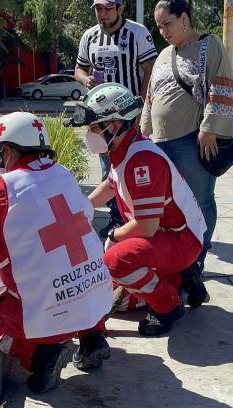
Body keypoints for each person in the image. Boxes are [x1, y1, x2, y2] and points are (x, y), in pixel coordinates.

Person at [0, 112, 112, 394]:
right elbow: (38, 220)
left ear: (9, 149)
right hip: (92, 297)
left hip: (44, 311)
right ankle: (93, 338)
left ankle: (39, 356)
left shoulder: (1, 190)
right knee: (71, 272)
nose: (0, 162)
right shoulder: (62, 175)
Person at [65, 83, 210, 336]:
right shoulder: (125, 148)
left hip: (179, 237)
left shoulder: (142, 161)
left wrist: (112, 236)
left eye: (95, 127)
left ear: (116, 124)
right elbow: (111, 185)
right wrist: (81, 209)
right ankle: (182, 276)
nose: (90, 133)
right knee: (114, 278)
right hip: (174, 232)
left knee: (116, 261)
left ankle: (168, 306)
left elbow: (146, 226)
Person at [142, 0, 233, 275]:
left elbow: (221, 85)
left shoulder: (209, 46)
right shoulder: (163, 55)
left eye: (167, 24)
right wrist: (144, 132)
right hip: (160, 144)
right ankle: (175, 259)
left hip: (192, 141)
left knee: (200, 201)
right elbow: (151, 97)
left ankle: (196, 261)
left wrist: (209, 129)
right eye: (159, 26)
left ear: (184, 18)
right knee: (168, 206)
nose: (163, 31)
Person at [74, 0, 158, 239]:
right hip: (101, 117)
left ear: (120, 8)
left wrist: (141, 105)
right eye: (99, 9)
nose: (103, 13)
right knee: (107, 169)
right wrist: (84, 80)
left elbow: (150, 70)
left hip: (128, 114)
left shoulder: (137, 33)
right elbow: (79, 69)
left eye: (108, 8)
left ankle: (137, 217)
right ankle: (117, 217)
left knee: (132, 163)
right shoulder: (89, 36)